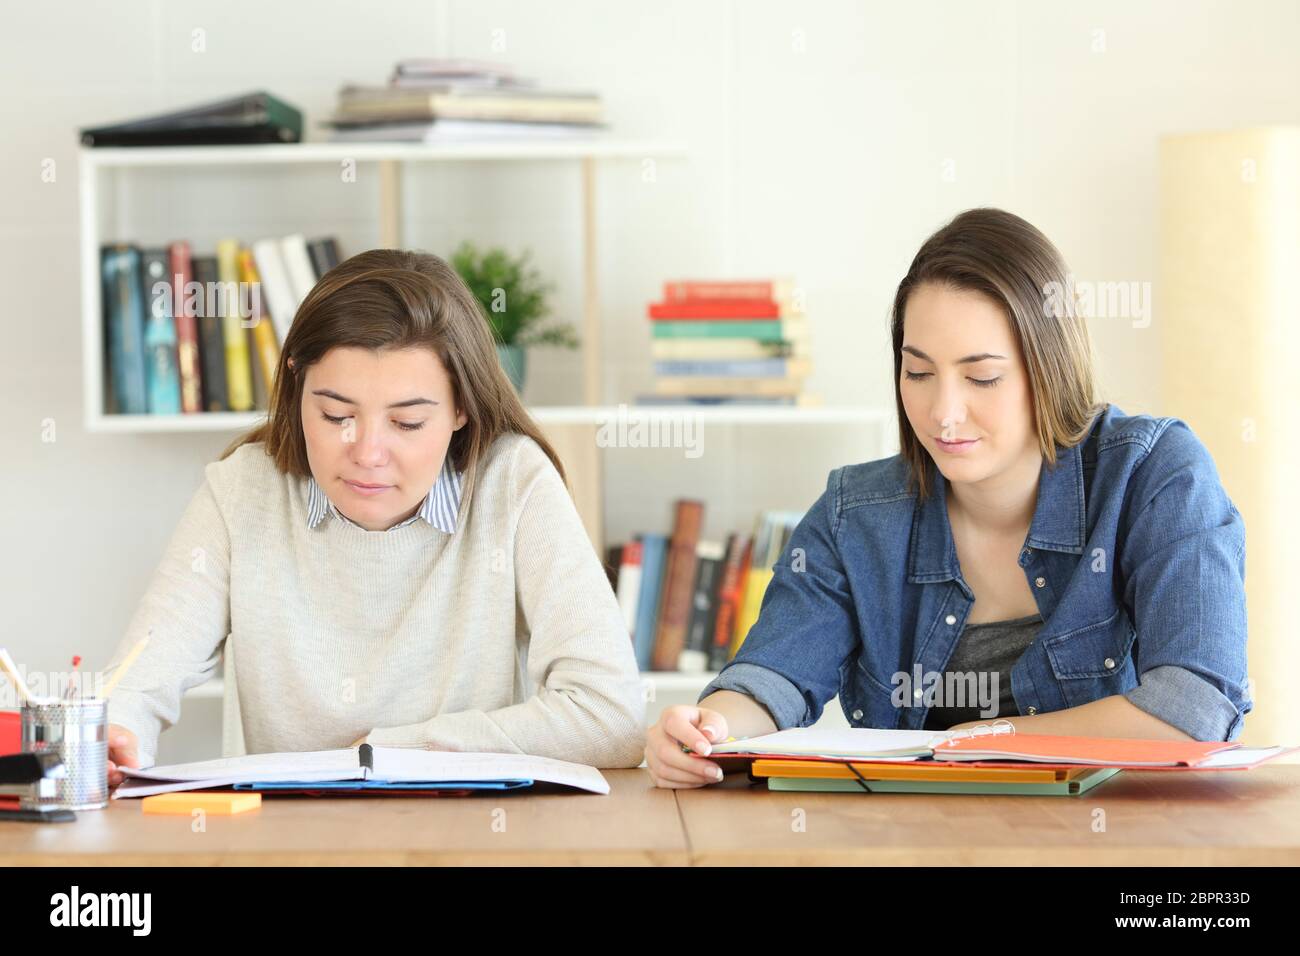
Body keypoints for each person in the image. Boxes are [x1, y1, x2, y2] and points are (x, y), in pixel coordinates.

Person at [646, 207, 1250, 789]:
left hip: (1114, 842)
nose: (944, 413)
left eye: (982, 377)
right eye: (918, 373)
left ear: (1049, 368)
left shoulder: (1154, 474)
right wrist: (710, 728)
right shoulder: (855, 514)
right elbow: (772, 678)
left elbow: (1194, 706)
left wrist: (980, 742)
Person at [105, 249, 645, 787]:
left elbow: (610, 717)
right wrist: (110, 735)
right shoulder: (242, 491)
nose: (366, 452)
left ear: (461, 407)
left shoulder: (514, 483)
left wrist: (391, 752)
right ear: (296, 389)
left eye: (407, 422)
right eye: (336, 415)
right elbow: (134, 685)